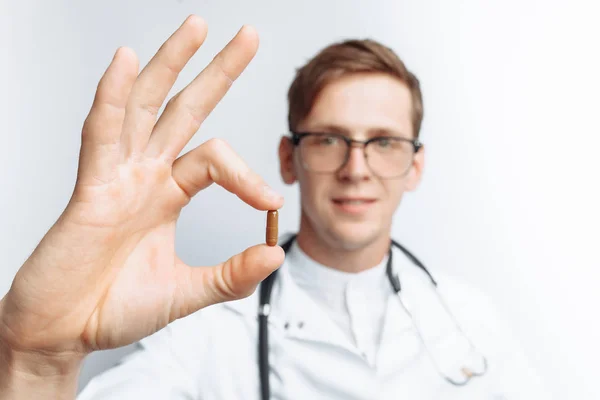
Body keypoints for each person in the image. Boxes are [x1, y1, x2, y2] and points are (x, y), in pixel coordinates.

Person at [0, 15, 548, 400]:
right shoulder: (201, 335)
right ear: (289, 158)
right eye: (329, 139)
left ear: (416, 165)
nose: (356, 168)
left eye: (383, 142)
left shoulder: (473, 324)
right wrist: (38, 365)